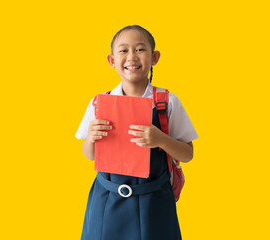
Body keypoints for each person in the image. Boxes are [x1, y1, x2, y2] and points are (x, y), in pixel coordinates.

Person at [75, 25, 198, 240]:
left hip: (154, 202)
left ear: (155, 57)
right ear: (111, 61)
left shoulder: (166, 102)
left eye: (140, 49)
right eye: (123, 51)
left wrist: (161, 139)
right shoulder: (99, 103)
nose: (132, 57)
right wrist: (91, 139)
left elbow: (187, 154)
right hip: (106, 200)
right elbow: (90, 155)